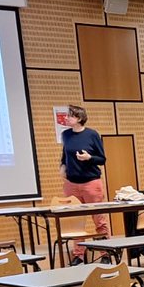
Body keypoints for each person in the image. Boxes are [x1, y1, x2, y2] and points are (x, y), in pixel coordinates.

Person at [60, 104, 108, 264]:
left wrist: (89, 158)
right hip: (72, 183)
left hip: (91, 182)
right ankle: (78, 255)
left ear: (79, 118)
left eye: (70, 116)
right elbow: (64, 155)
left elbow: (102, 159)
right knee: (76, 221)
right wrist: (62, 166)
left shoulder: (92, 134)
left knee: (98, 220)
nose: (66, 118)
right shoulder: (66, 135)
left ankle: (105, 253)